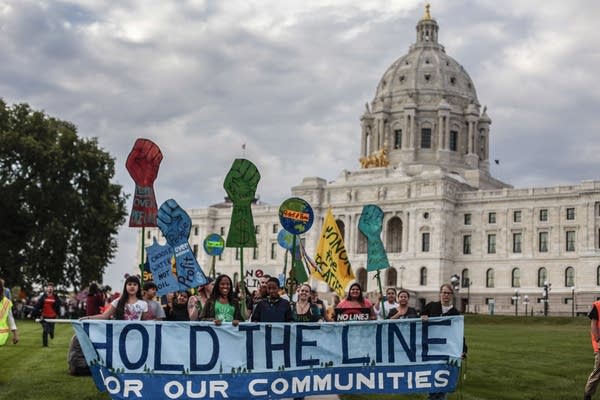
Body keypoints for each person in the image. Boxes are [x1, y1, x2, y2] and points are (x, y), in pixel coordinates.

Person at [421, 284, 467, 400]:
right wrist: (423, 316)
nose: (446, 295)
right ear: (440, 293)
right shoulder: (431, 306)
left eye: (448, 293)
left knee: (443, 376)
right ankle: (432, 396)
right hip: (431, 347)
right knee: (432, 375)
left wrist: (463, 350)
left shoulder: (455, 313)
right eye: (444, 292)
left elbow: (459, 333)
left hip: (446, 348)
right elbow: (418, 317)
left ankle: (440, 397)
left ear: (452, 295)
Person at [82, 275, 148, 321]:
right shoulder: (117, 301)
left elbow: (145, 323)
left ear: (138, 287)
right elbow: (104, 316)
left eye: (135, 284)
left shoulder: (144, 304)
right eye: (129, 284)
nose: (132, 286)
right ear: (125, 286)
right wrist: (87, 318)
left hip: (136, 338)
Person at [32, 282, 62, 347]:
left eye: (51, 288)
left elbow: (59, 305)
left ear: (53, 289)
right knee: (45, 330)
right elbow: (37, 306)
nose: (50, 289)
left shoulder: (55, 297)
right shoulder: (43, 297)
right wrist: (32, 313)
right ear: (46, 289)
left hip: (53, 316)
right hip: (44, 316)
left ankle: (51, 333)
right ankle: (45, 345)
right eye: (49, 288)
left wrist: (58, 313)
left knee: (51, 329)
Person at [584, 298, 600, 400]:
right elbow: (593, 325)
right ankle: (587, 394)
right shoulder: (597, 305)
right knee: (598, 372)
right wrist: (598, 339)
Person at [0, 278, 18, 345]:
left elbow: (11, 319)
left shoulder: (7, 302)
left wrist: (15, 334)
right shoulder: (7, 302)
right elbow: (11, 319)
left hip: (2, 335)